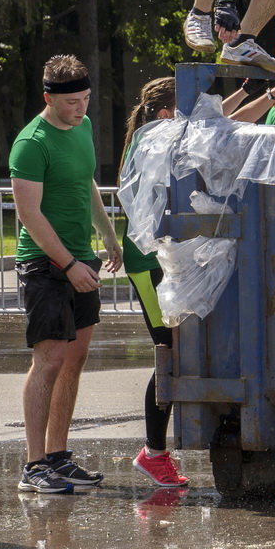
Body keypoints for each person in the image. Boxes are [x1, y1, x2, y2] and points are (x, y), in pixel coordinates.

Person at [10, 55, 124, 494]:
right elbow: (29, 213)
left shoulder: (83, 128)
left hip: (81, 258)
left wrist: (108, 235)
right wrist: (69, 265)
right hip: (45, 263)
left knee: (74, 360)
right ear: (49, 99)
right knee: (49, 359)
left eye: (86, 100)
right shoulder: (31, 142)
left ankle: (57, 456)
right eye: (72, 102)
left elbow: (86, 183)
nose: (81, 109)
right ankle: (33, 464)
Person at [118, 77, 190, 488]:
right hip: (148, 262)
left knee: (179, 349)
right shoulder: (151, 144)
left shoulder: (155, 138)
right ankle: (153, 452)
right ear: (166, 113)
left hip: (162, 257)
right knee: (168, 350)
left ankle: (156, 451)